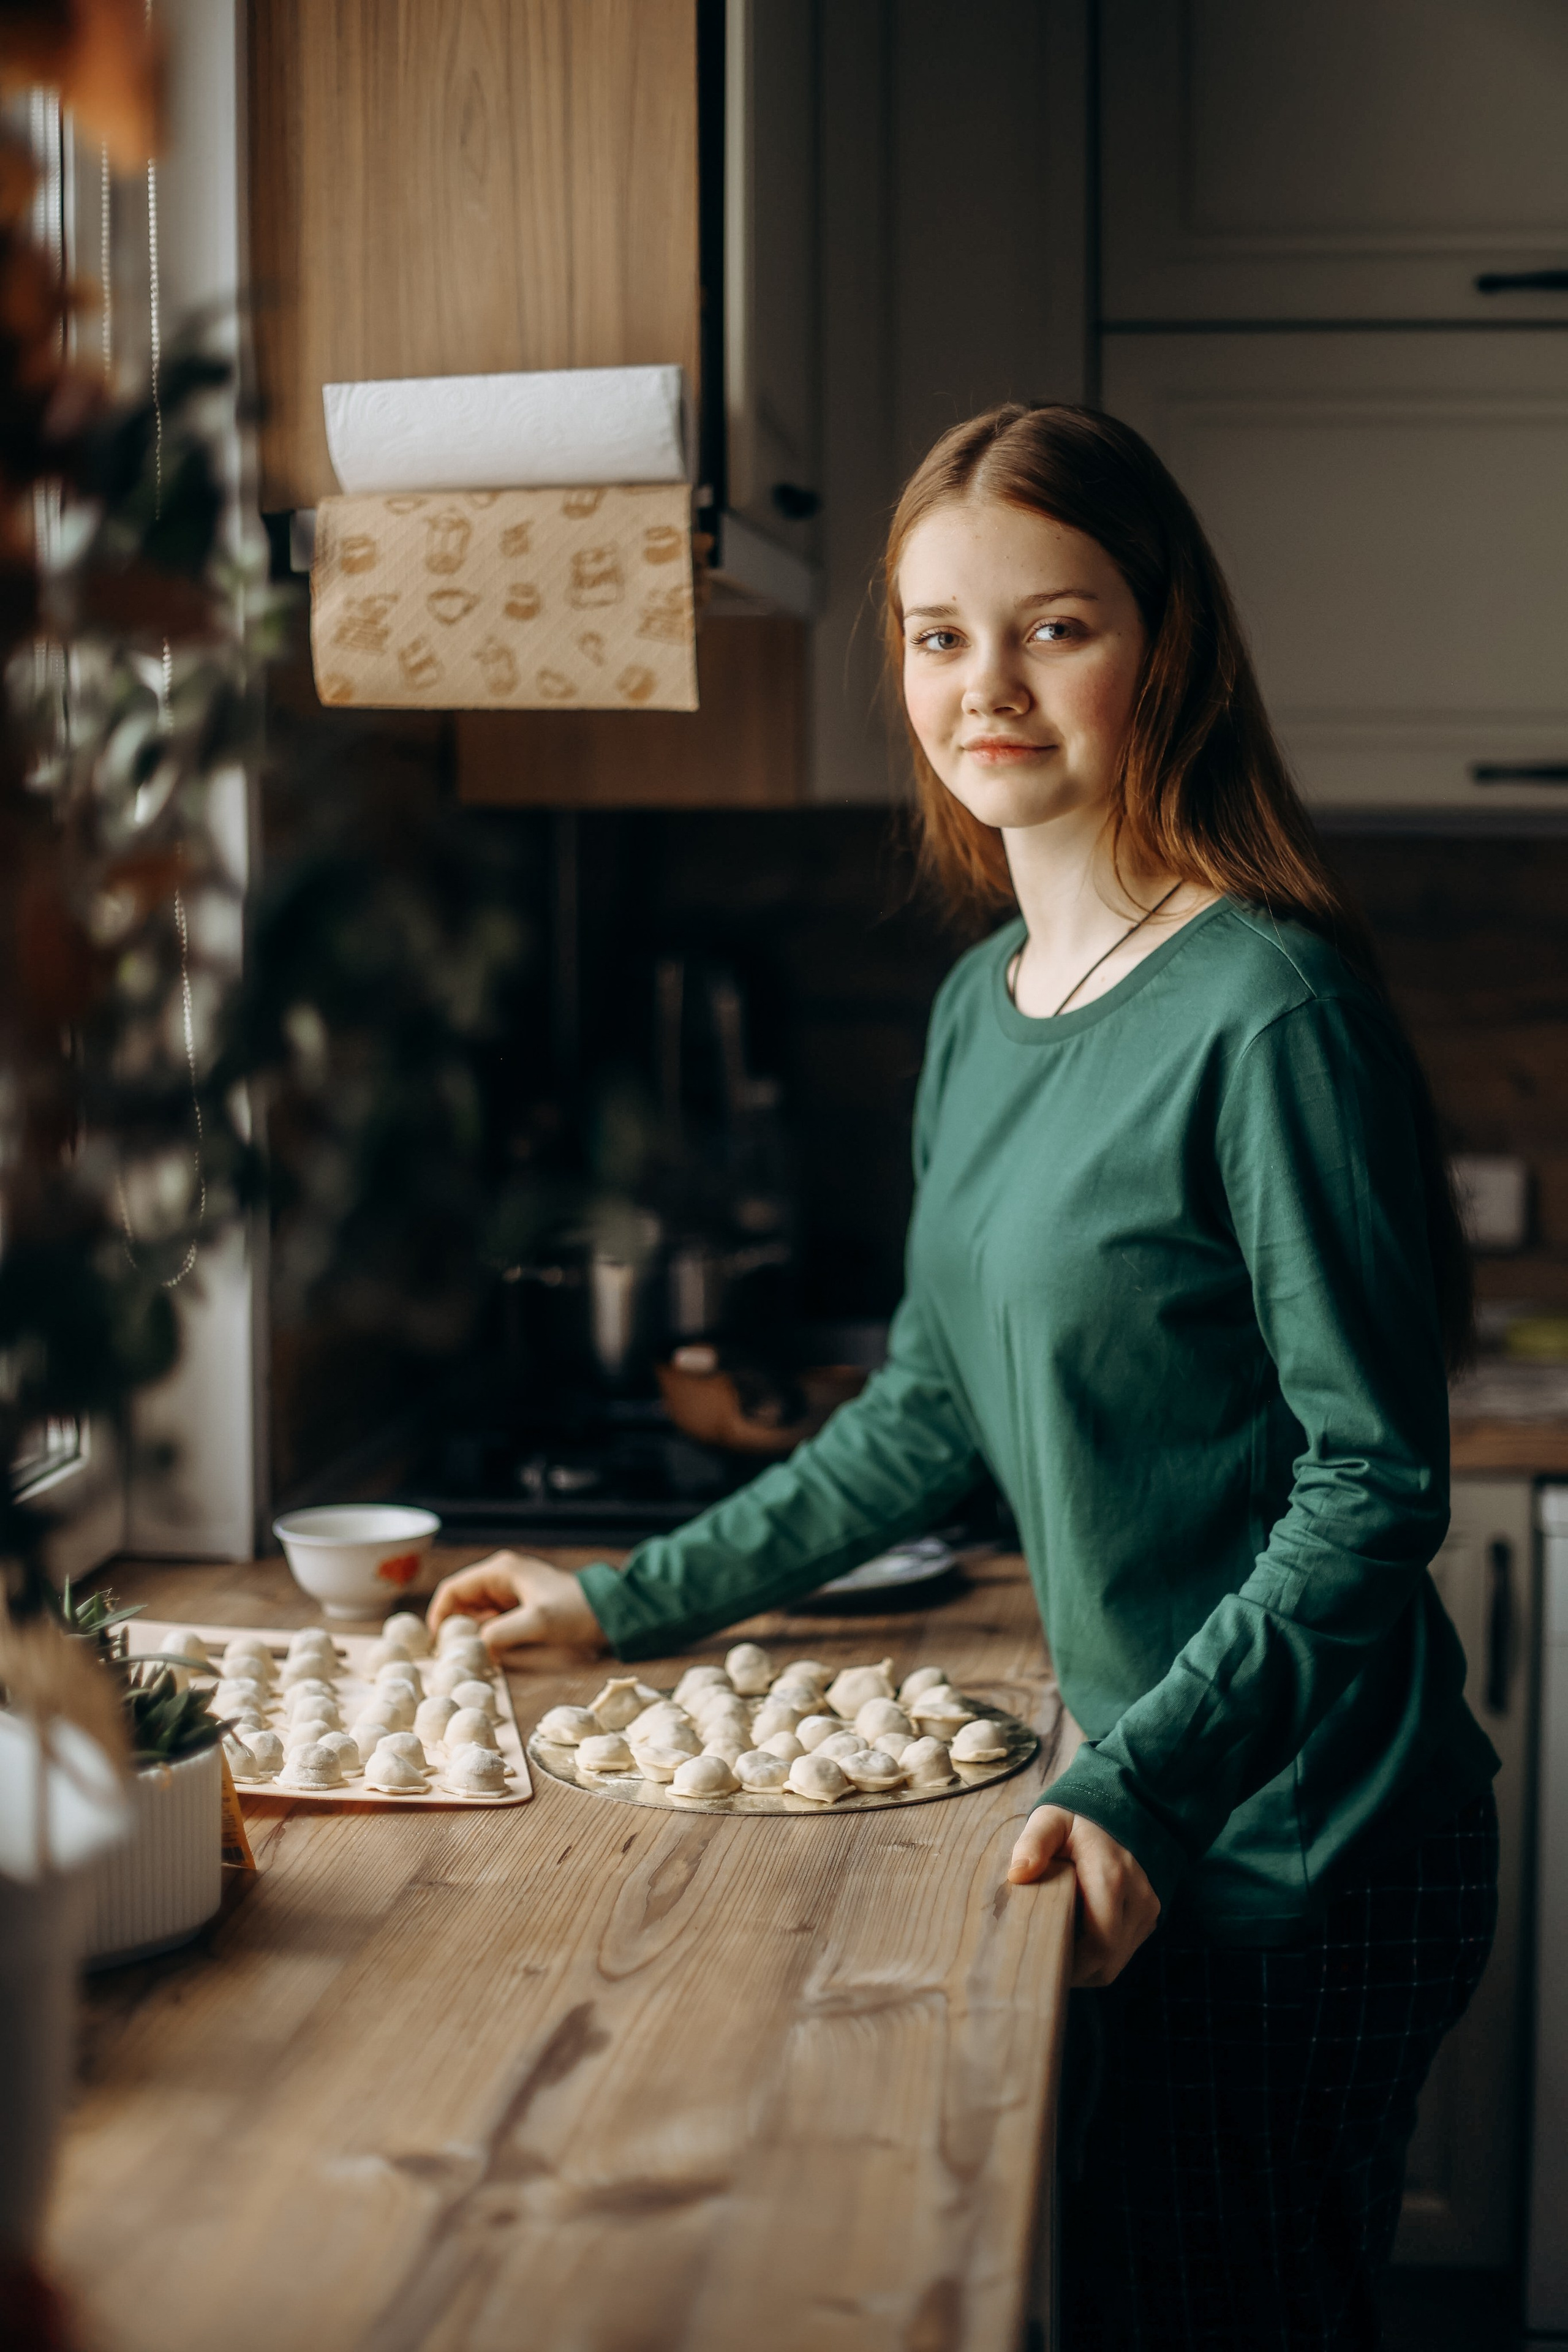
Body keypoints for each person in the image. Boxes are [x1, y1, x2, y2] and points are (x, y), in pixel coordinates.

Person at [429, 405, 1500, 2350]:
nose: (985, 686)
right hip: (1138, 1804)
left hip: (1294, 1838)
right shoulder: (975, 1007)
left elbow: (1372, 1487)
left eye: (1054, 628)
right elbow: (926, 1406)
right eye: (940, 636)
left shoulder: (1268, 1009)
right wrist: (624, 1599)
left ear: (1166, 651)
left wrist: (1147, 1791)